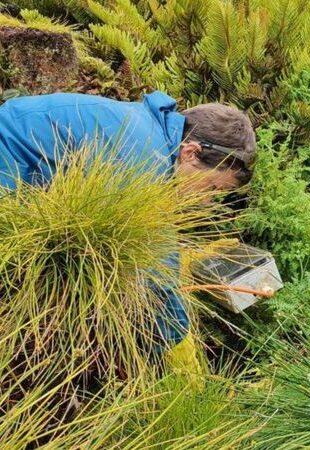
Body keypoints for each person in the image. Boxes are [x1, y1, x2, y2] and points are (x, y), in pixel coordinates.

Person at [0, 90, 256, 351]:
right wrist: (171, 338)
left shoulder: (148, 133)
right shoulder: (145, 157)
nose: (207, 202)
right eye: (212, 188)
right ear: (191, 152)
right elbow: (156, 272)